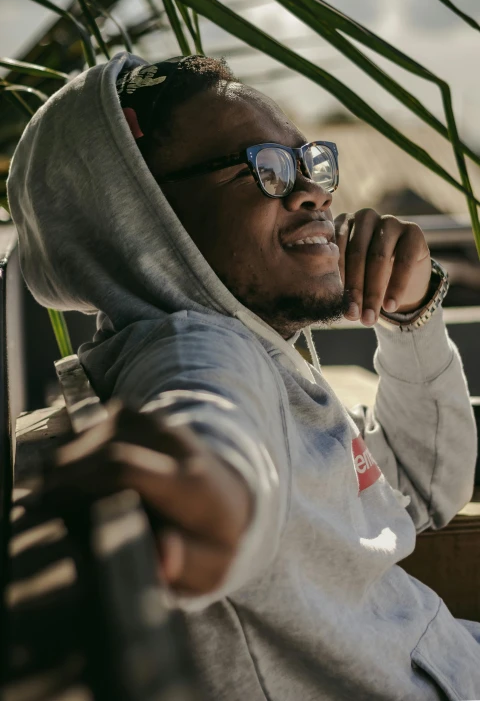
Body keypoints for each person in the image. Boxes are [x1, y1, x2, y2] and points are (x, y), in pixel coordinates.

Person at [8, 52, 480, 700]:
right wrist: (215, 483)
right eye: (264, 168)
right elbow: (204, 411)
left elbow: (424, 494)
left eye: (307, 161)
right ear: (145, 220)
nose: (314, 192)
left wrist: (414, 317)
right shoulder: (202, 349)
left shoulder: (262, 353)